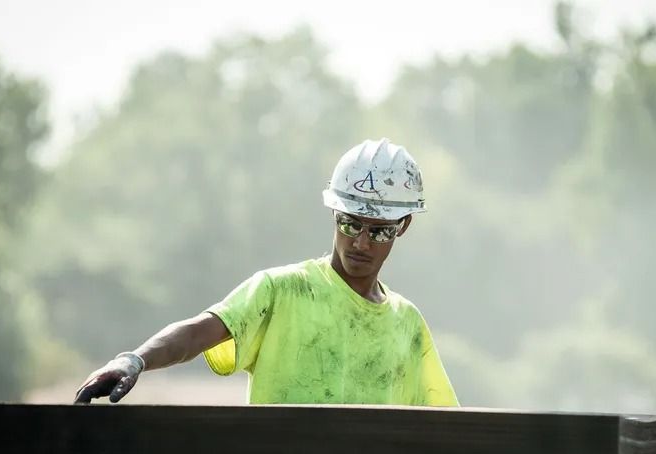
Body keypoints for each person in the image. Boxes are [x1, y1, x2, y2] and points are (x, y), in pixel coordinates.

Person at [74, 138, 459, 407]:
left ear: (403, 226)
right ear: (333, 213)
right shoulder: (282, 291)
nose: (360, 243)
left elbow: (444, 427)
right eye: (350, 225)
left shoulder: (406, 324)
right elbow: (198, 332)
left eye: (379, 232)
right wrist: (134, 360)